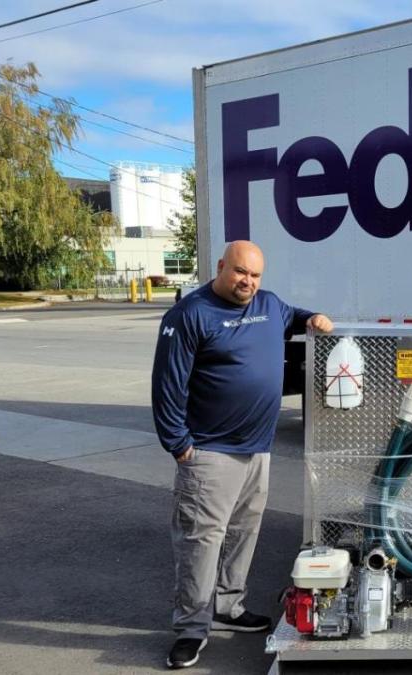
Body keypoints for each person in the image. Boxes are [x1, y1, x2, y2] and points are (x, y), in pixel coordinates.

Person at [151, 240, 334, 669]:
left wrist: (314, 318)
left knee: (244, 532)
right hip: (210, 453)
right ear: (220, 267)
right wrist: (180, 446)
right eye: (239, 273)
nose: (247, 282)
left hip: (258, 450)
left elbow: (296, 316)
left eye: (254, 275)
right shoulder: (190, 314)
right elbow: (167, 386)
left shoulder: (269, 305)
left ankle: (229, 606)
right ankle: (192, 628)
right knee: (202, 541)